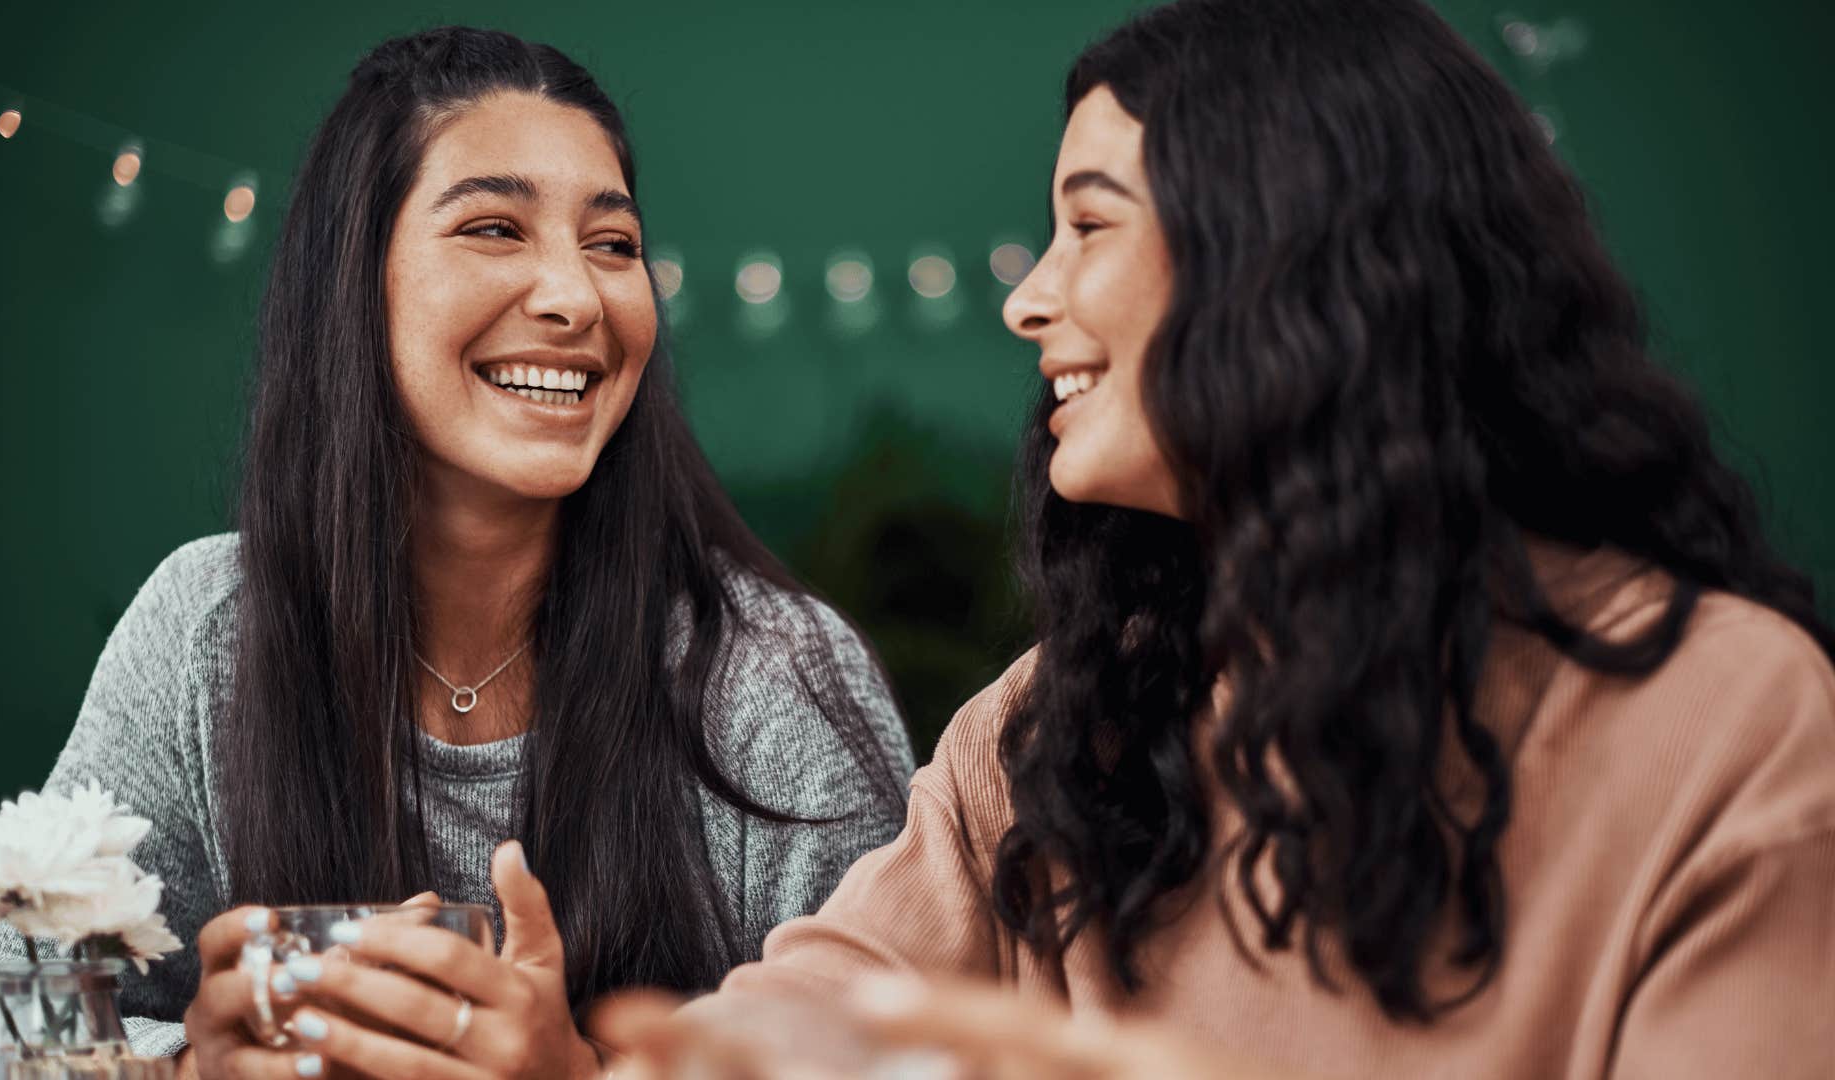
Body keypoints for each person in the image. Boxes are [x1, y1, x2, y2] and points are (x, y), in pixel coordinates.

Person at [603, 1, 1835, 1076]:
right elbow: (782, 1034)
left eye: (1090, 226)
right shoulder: (1053, 729)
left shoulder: (1723, 720)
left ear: (1291, 260)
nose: (1027, 298)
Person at [0, 26, 914, 1080]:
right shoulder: (207, 631)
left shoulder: (771, 679)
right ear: (355, 279)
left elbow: (892, 1063)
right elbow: (11, 1026)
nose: (575, 297)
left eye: (611, 244)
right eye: (493, 228)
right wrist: (194, 1067)